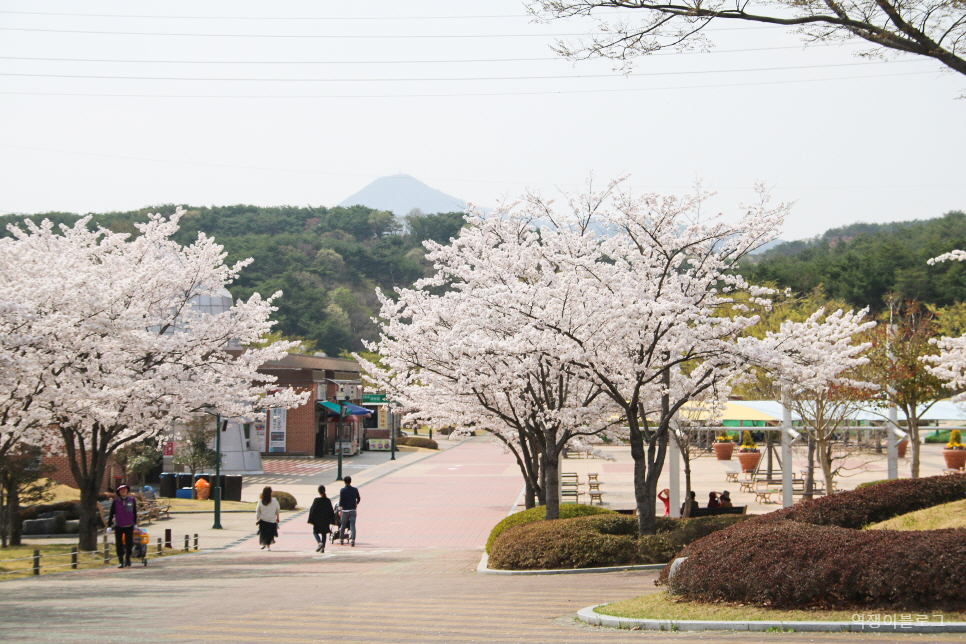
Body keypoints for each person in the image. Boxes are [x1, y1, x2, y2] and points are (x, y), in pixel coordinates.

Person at [107, 484, 138, 568]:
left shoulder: (132, 500)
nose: (123, 491)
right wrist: (109, 526)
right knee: (119, 544)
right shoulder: (116, 501)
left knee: (129, 543)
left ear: (127, 491)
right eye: (121, 490)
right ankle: (121, 561)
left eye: (125, 489)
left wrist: (135, 523)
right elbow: (111, 513)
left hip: (129, 525)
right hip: (119, 526)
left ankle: (127, 558)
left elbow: (134, 512)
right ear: (119, 492)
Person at [307, 484, 335, 553]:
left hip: (317, 521)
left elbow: (312, 511)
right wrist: (331, 521)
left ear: (318, 491)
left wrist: (311, 520)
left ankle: (319, 543)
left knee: (315, 532)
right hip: (325, 521)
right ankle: (322, 549)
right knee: (324, 534)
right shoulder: (328, 501)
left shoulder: (316, 500)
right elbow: (331, 511)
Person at [256, 486, 280, 551]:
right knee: (270, 534)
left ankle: (263, 544)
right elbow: (277, 510)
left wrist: (257, 519)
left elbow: (258, 511)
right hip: (271, 520)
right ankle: (268, 546)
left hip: (263, 520)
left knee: (263, 533)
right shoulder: (274, 500)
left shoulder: (261, 501)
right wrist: (278, 518)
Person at [339, 476, 361, 547]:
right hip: (353, 510)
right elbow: (359, 498)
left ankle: (341, 539)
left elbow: (341, 501)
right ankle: (352, 540)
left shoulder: (342, 490)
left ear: (344, 482)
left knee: (343, 525)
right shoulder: (355, 490)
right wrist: (356, 503)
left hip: (345, 510)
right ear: (350, 481)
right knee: (352, 526)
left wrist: (340, 510)